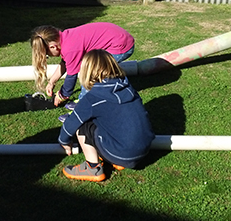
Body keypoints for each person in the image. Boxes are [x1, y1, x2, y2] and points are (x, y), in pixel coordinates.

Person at [58, 49, 154, 182]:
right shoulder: (128, 88)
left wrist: (64, 141)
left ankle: (92, 168)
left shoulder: (93, 98)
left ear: (86, 72)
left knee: (83, 125)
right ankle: (119, 160)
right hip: (144, 150)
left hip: (122, 152)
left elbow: (71, 124)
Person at [31, 22, 135, 107]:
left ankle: (84, 104)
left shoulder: (70, 48)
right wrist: (52, 81)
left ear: (53, 47)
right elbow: (65, 63)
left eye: (48, 54)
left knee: (90, 73)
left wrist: (62, 95)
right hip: (119, 38)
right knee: (91, 69)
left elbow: (71, 77)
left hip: (121, 46)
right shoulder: (65, 38)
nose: (50, 56)